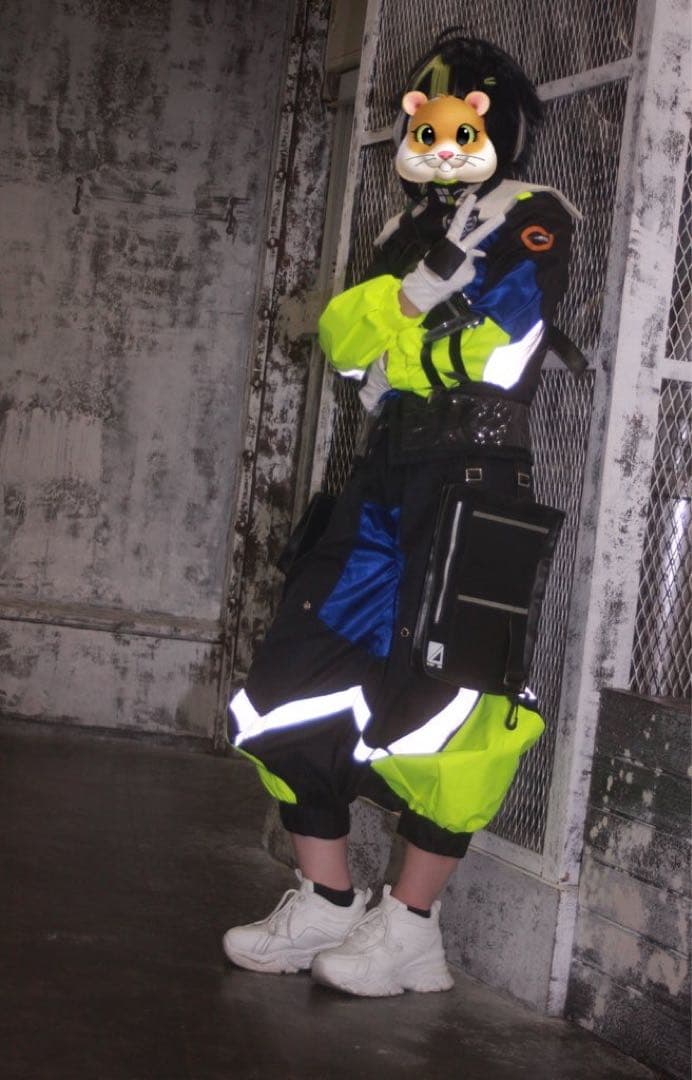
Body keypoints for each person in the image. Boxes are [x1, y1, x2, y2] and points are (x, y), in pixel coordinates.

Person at [223, 31, 579, 998]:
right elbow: (345, 343)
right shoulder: (405, 231)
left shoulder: (534, 214)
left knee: (458, 696)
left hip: (475, 477)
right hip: (384, 474)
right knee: (292, 672)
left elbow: (493, 342)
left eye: (462, 120)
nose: (441, 139)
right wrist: (412, 302)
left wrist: (400, 321)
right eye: (426, 122)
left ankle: (412, 927)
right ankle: (327, 899)